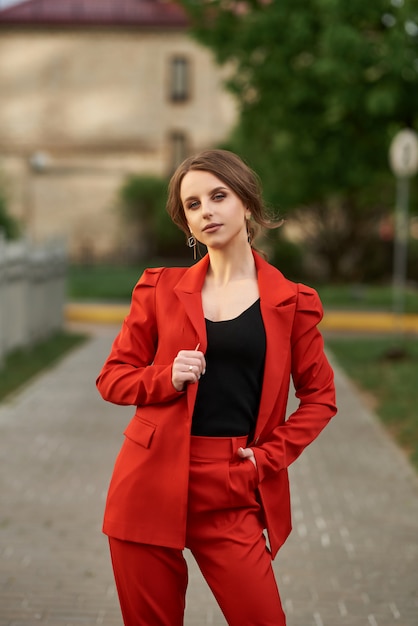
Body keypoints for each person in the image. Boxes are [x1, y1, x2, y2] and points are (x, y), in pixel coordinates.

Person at [96, 149, 337, 626]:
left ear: (246, 203)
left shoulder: (293, 302)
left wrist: (267, 459)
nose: (206, 210)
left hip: (231, 481)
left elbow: (320, 399)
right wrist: (165, 376)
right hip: (146, 481)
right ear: (186, 223)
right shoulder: (159, 289)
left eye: (218, 196)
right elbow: (112, 377)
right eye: (192, 204)